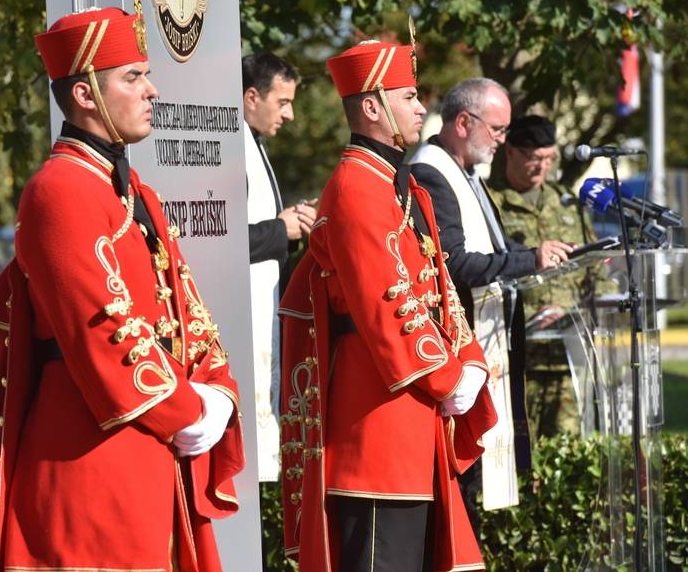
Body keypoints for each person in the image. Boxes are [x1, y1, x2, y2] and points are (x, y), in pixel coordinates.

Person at [0, 7, 244, 572]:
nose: (152, 90)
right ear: (85, 94)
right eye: (133, 77)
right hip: (89, 465)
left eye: (147, 75)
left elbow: (187, 306)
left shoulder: (137, 192)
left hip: (153, 447)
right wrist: (190, 408)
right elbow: (106, 332)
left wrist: (218, 390)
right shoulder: (59, 190)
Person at [279, 37, 497, 572]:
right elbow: (387, 305)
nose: (421, 108)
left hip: (415, 416)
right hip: (374, 429)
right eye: (409, 97)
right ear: (373, 107)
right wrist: (449, 376)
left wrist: (469, 357)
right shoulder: (355, 186)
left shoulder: (401, 185)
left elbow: (440, 285)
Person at [409, 78, 572, 520]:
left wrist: (540, 254)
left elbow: (494, 249)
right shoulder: (431, 173)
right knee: (460, 495)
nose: (502, 140)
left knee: (475, 495)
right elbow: (455, 264)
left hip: (485, 346)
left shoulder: (465, 173)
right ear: (464, 122)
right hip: (458, 354)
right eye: (497, 129)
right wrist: (530, 260)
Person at [487, 115, 610, 437]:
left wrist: (602, 306)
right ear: (510, 152)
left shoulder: (567, 202)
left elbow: (595, 269)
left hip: (567, 355)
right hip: (516, 356)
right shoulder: (490, 203)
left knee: (568, 451)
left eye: (549, 158)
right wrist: (532, 313)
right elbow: (487, 271)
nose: (542, 166)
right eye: (534, 157)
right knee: (520, 450)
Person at [242, 52, 317, 481]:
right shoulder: (231, 147)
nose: (290, 115)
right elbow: (219, 238)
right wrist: (279, 229)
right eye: (283, 102)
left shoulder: (253, 142)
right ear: (252, 97)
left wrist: (291, 224)